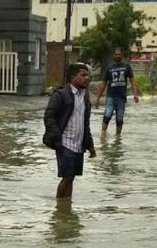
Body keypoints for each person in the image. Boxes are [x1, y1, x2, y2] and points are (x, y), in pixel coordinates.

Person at [43, 63, 96, 200]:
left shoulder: (85, 96)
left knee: (71, 178)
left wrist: (90, 145)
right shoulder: (60, 94)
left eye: (87, 75)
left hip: (78, 145)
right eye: (83, 75)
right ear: (73, 77)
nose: (87, 78)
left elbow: (85, 123)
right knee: (67, 177)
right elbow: (49, 117)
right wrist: (57, 139)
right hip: (65, 143)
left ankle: (66, 208)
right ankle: (59, 209)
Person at [95, 47, 140, 136]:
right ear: (113, 56)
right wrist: (98, 98)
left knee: (119, 119)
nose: (118, 56)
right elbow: (103, 83)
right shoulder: (109, 68)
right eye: (116, 54)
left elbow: (132, 80)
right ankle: (103, 135)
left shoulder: (127, 66)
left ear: (122, 55)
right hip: (110, 96)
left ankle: (118, 137)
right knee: (107, 114)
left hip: (121, 97)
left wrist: (135, 94)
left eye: (119, 54)